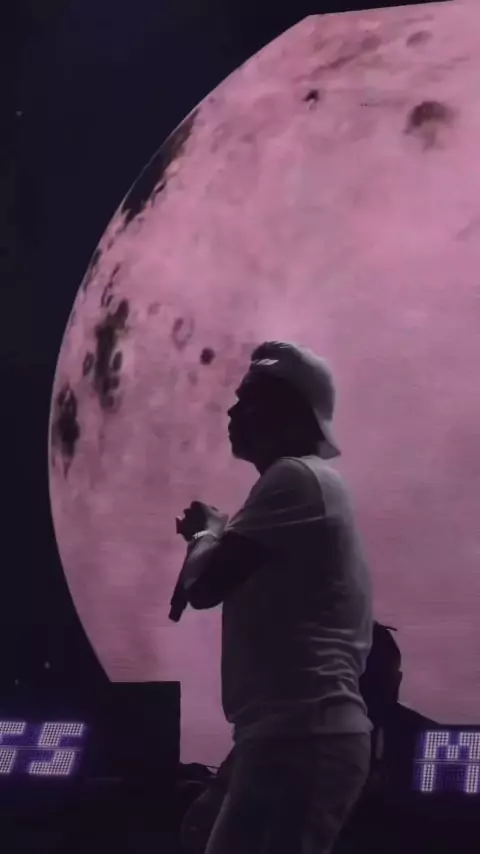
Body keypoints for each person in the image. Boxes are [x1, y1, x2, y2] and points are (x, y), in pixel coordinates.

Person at [169, 340, 374, 854]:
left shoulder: (295, 478)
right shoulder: (308, 485)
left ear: (289, 413)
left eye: (251, 399)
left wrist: (205, 533)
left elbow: (204, 586)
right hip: (290, 735)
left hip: (298, 738)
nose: (233, 411)